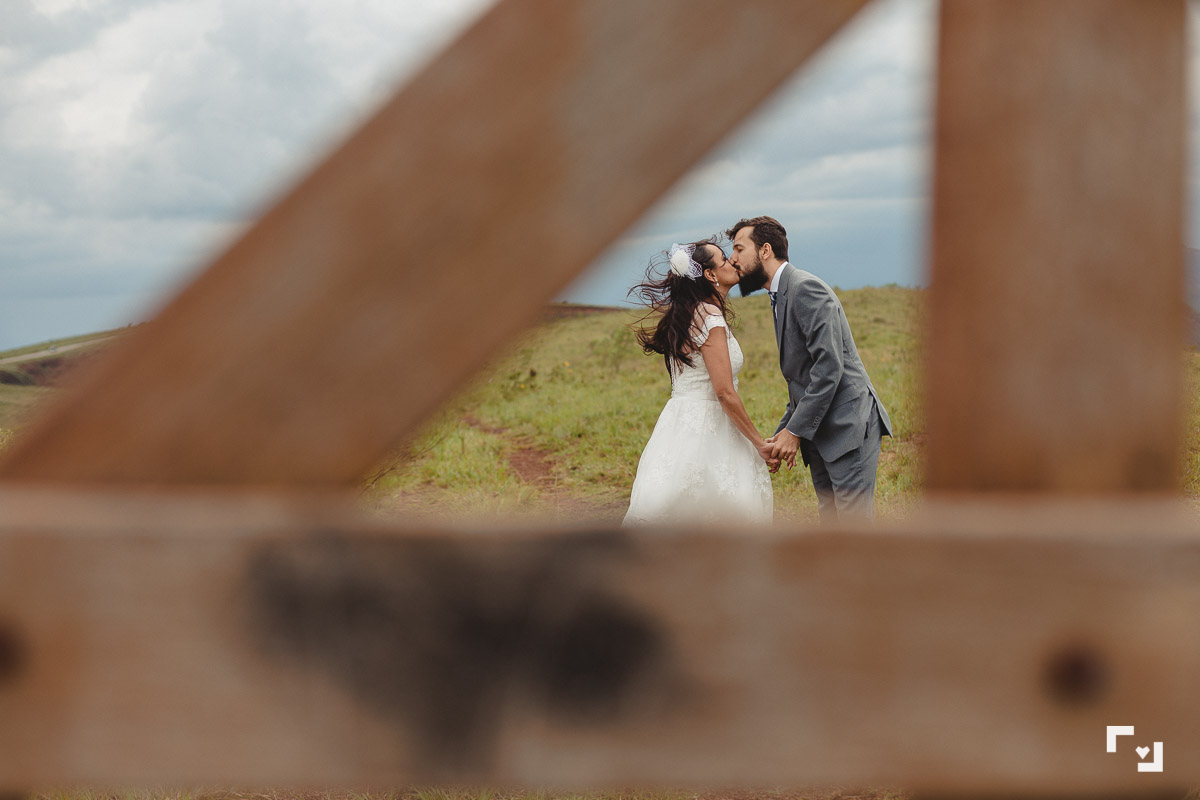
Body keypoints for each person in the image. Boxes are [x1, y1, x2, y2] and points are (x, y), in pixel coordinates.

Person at [728, 216, 892, 521]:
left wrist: (795, 431)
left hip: (847, 425)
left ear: (765, 250)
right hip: (819, 431)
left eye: (739, 248)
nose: (733, 258)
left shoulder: (805, 288)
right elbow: (802, 375)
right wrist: (784, 433)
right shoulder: (779, 295)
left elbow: (829, 368)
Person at [622, 238, 775, 525]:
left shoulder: (689, 314)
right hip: (708, 428)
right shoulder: (710, 316)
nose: (733, 261)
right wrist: (758, 444)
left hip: (677, 424)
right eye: (724, 260)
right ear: (710, 274)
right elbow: (725, 392)